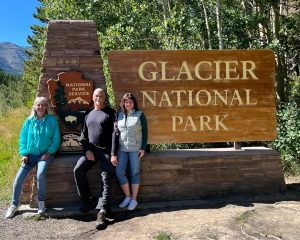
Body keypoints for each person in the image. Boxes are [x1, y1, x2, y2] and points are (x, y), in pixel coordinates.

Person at [5, 97, 61, 218]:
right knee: (18, 178)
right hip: (30, 155)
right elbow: (23, 139)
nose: (41, 107)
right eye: (38, 105)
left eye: (43, 105)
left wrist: (50, 152)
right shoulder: (29, 121)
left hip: (45, 155)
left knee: (40, 173)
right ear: (35, 107)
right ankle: (14, 205)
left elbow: (56, 139)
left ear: (46, 107)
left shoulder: (52, 121)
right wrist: (24, 153)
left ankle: (41, 203)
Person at [74, 88, 117, 230]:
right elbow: (83, 136)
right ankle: (88, 201)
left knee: (106, 178)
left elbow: (115, 135)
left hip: (106, 152)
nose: (98, 98)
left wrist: (113, 154)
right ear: (93, 97)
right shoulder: (88, 113)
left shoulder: (111, 113)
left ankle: (102, 211)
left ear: (105, 98)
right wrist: (86, 150)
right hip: (91, 151)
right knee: (78, 170)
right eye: (96, 95)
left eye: (101, 96)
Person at [111, 93, 148, 211]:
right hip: (122, 149)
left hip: (135, 149)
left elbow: (145, 132)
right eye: (126, 102)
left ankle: (134, 199)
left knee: (134, 173)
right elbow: (115, 132)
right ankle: (127, 197)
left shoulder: (140, 114)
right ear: (123, 103)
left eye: (130, 102)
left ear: (134, 103)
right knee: (119, 172)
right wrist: (114, 152)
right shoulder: (119, 115)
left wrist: (143, 148)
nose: (128, 104)